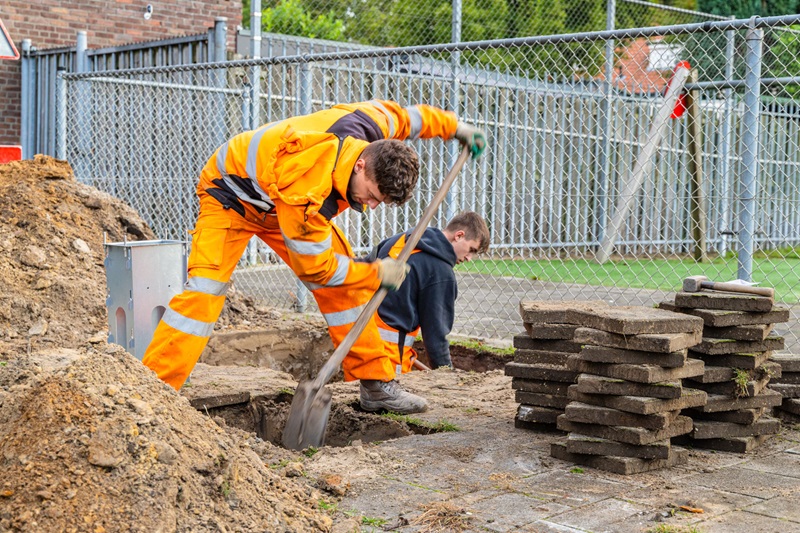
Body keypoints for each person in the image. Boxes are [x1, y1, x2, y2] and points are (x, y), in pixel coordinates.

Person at [141, 100, 486, 415]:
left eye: (379, 200)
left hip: (279, 200)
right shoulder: (308, 189)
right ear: (361, 165)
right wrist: (375, 272)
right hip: (230, 196)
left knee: (347, 293)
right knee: (206, 291)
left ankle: (376, 386)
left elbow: (405, 117)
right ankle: (154, 388)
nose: (371, 205)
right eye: (371, 195)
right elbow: (317, 270)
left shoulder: (365, 127)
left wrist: (455, 127)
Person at [363, 211, 490, 411]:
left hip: (360, 339)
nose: (469, 258)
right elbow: (436, 334)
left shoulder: (405, 240)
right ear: (459, 236)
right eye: (471, 249)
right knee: (387, 406)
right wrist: (445, 375)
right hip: (389, 354)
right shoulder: (440, 272)